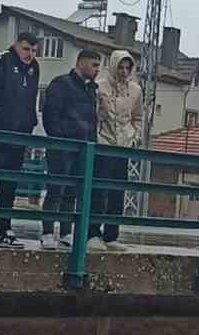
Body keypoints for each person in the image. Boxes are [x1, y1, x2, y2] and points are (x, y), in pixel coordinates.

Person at [0, 32, 41, 249]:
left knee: (10, 183)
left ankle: (5, 228)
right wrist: (0, 118)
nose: (30, 54)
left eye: (33, 50)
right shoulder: (1, 60)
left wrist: (29, 122)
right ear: (16, 46)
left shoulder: (34, 68)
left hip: (19, 133)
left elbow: (31, 98)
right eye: (26, 49)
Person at [40, 49, 102, 250]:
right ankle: (47, 232)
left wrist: (91, 144)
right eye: (94, 65)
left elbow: (92, 120)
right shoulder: (61, 84)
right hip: (63, 145)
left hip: (83, 148)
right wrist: (59, 140)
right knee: (56, 189)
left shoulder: (91, 89)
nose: (97, 69)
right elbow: (51, 114)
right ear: (81, 62)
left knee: (72, 192)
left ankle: (66, 232)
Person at [94, 49, 144, 251]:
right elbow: (93, 115)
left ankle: (111, 235)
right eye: (120, 67)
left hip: (123, 146)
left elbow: (138, 117)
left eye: (127, 68)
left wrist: (135, 137)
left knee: (117, 192)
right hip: (103, 143)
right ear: (113, 66)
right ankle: (92, 234)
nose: (124, 72)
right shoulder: (99, 87)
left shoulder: (136, 90)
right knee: (99, 191)